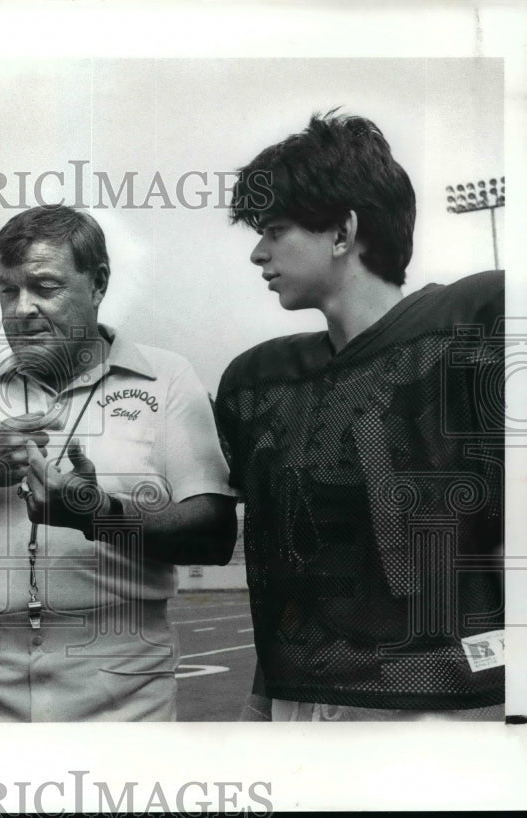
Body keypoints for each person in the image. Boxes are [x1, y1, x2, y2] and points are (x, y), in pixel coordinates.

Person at [217, 112, 505, 721]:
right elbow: (285, 573)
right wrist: (262, 697)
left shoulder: (475, 325)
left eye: (276, 229)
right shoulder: (259, 382)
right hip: (299, 701)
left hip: (436, 705)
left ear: (343, 231)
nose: (256, 252)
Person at [0, 205, 237, 722]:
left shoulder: (166, 378)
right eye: (7, 290)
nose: (21, 308)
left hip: (123, 687)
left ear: (98, 282)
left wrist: (93, 513)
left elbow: (214, 536)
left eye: (45, 287)